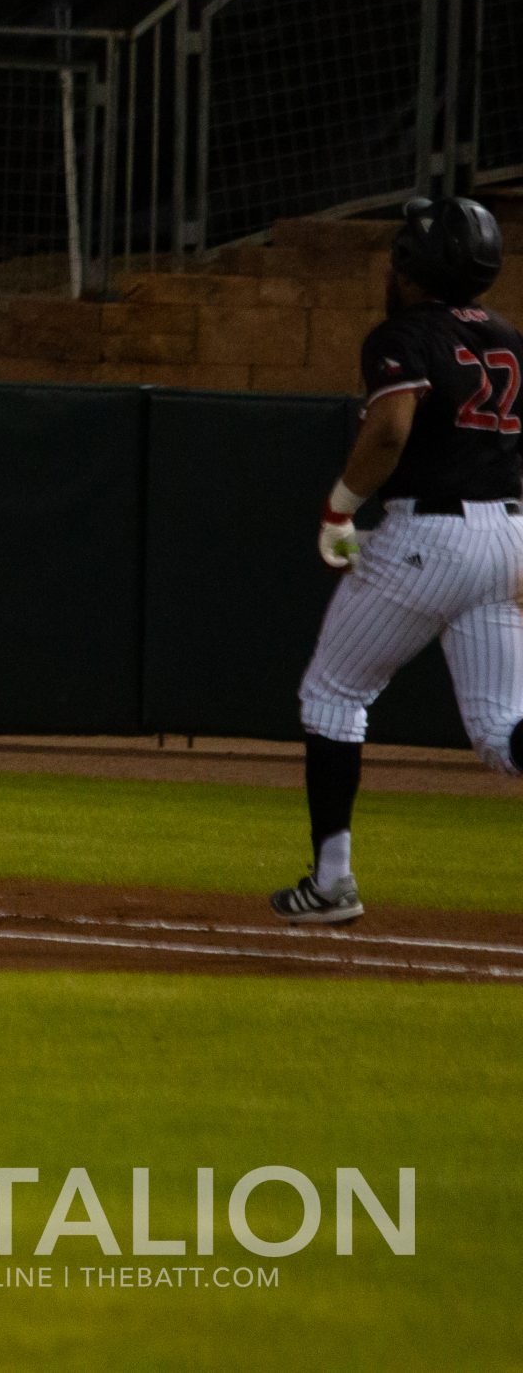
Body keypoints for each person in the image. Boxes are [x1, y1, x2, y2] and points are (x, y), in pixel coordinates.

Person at [286, 196, 521, 925]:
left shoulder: (404, 334)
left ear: (419, 266)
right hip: (510, 532)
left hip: (431, 536)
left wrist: (339, 506)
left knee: (332, 695)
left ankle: (331, 882)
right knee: (503, 732)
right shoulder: (512, 338)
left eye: (400, 254)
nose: (392, 265)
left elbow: (388, 429)